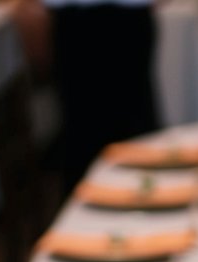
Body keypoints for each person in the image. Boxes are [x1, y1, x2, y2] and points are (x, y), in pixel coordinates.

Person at [45, 0, 159, 189]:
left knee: (135, 126)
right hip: (78, 26)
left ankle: (145, 196)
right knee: (81, 135)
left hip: (126, 23)